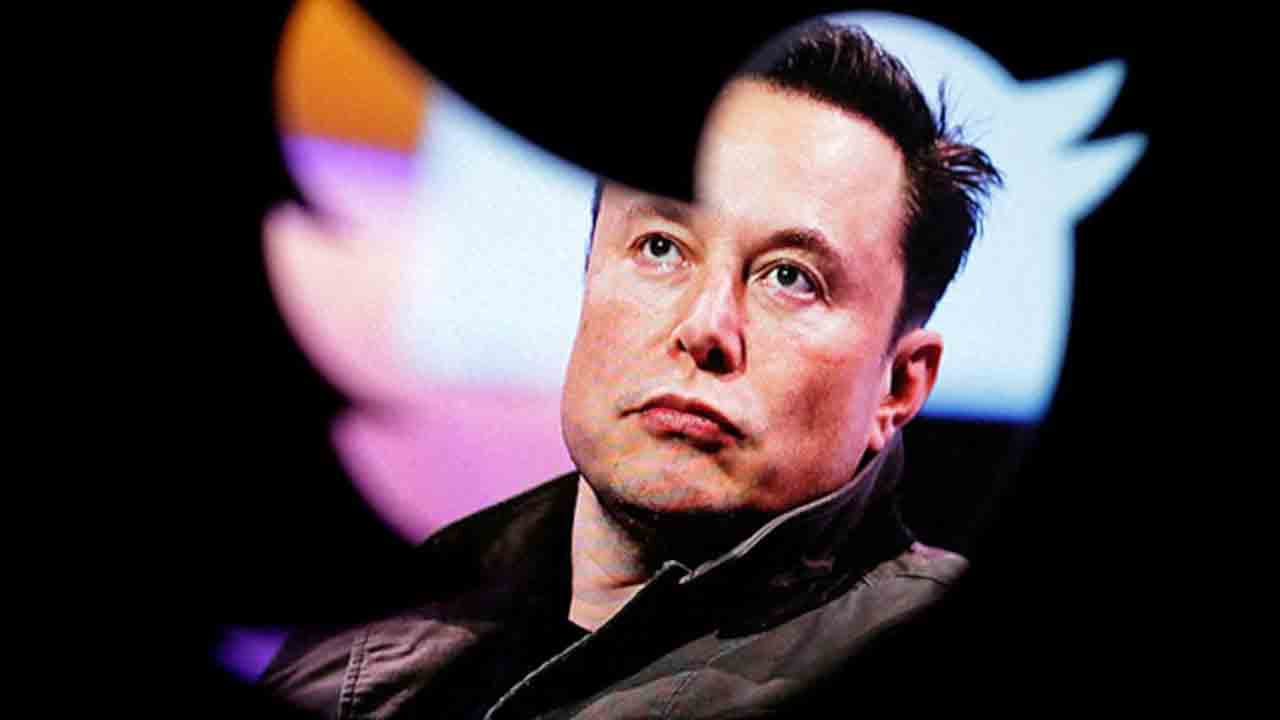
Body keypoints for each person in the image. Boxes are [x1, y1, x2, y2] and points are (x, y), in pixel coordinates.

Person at [259, 19, 1002, 719]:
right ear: (587, 276)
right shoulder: (362, 643)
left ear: (899, 385)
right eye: (660, 247)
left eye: (790, 277)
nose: (705, 327)